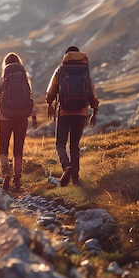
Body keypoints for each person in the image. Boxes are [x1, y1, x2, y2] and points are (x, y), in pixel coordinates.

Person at [46, 46, 99, 186]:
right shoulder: (85, 71)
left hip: (64, 112)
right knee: (74, 145)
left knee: (60, 144)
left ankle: (66, 167)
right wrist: (94, 112)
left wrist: (49, 103)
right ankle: (75, 178)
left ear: (66, 56)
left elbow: (51, 91)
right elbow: (93, 92)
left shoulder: (61, 70)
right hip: (81, 113)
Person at [0, 52, 38, 192]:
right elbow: (30, 99)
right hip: (22, 118)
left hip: (5, 117)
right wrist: (33, 117)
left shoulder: (1, 80)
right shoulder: (25, 80)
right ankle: (17, 178)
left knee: (3, 148)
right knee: (18, 150)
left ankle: (6, 173)